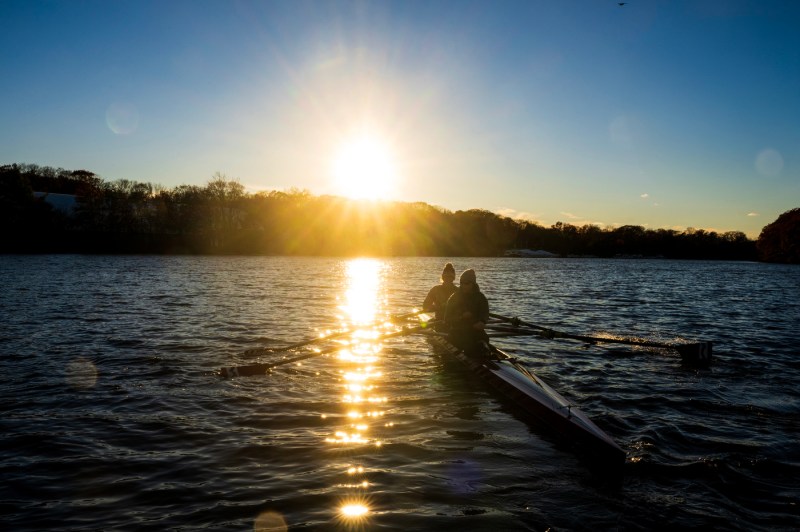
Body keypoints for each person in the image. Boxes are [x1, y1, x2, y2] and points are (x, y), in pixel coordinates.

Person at [444, 268, 491, 359]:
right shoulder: (454, 297)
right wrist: (461, 317)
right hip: (458, 331)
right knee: (468, 344)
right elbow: (447, 319)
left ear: (473, 284)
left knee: (485, 338)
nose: (463, 286)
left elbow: (485, 314)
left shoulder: (481, 298)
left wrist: (482, 321)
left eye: (466, 283)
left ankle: (484, 353)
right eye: (461, 283)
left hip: (475, 330)